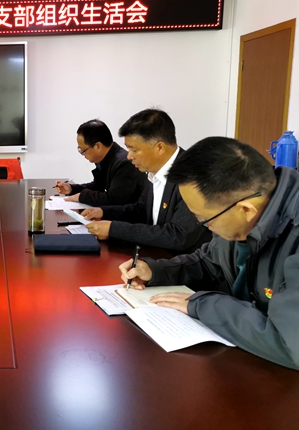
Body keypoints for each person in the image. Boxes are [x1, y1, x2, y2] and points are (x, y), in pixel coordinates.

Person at [120, 137, 299, 370]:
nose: (202, 225)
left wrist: (204, 305)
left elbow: (290, 344)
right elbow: (209, 262)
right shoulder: (245, 210)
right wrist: (155, 271)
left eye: (203, 219)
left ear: (246, 210)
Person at [83, 109, 211, 255]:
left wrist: (114, 230)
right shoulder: (153, 171)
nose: (129, 156)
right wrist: (104, 212)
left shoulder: (191, 176)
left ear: (160, 148)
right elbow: (141, 210)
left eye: (134, 150)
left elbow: (178, 236)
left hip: (183, 263)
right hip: (155, 256)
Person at [55, 119, 146, 206]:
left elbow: (114, 200)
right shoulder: (105, 158)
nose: (82, 154)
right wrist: (72, 189)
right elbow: (98, 186)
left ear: (98, 146)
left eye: (83, 150)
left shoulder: (123, 164)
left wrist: (82, 197)